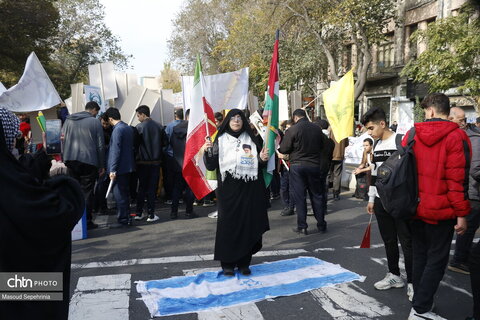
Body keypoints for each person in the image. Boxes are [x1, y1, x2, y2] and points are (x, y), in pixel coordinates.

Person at [0, 108, 84, 320]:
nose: (16, 139)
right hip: (17, 285)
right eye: (13, 134)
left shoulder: (8, 173)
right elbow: (56, 215)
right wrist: (62, 181)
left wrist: (44, 154)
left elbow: (20, 177)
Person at [405, 93, 471, 320]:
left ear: (431, 111)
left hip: (413, 207)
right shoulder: (458, 137)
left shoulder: (412, 134)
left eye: (425, 110)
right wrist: (462, 214)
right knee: (436, 260)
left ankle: (420, 303)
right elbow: (457, 181)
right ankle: (421, 309)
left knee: (420, 256)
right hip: (441, 211)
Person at [204, 109, 270, 276]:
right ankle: (227, 263)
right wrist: (207, 151)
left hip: (249, 190)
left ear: (244, 121)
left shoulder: (253, 139)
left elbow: (260, 165)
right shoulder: (219, 140)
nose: (236, 121)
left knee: (247, 224)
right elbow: (211, 166)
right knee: (228, 225)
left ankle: (244, 263)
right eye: (232, 118)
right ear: (227, 121)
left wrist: (262, 159)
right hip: (228, 191)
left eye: (239, 118)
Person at [361, 107, 413, 301]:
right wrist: (372, 199)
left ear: (382, 124)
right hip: (382, 202)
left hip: (401, 202)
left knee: (407, 242)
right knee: (389, 240)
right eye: (367, 128)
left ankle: (412, 282)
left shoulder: (402, 140)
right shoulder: (375, 144)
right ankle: (394, 275)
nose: (369, 132)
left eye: (371, 127)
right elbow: (374, 175)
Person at [279, 109, 327, 235]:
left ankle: (302, 226)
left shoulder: (292, 130)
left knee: (300, 196)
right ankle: (321, 224)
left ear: (295, 117)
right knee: (316, 195)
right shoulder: (317, 129)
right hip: (314, 165)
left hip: (297, 166)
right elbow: (323, 145)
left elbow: (284, 148)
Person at [62, 101, 105, 229]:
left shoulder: (68, 120)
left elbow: (62, 140)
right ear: (93, 110)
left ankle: (75, 222)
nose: (96, 115)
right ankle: (86, 221)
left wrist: (64, 157)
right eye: (96, 112)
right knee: (87, 192)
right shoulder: (94, 122)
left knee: (74, 191)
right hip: (88, 160)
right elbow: (100, 145)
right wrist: (101, 164)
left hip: (70, 159)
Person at [448, 107, 480, 275]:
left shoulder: (470, 137)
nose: (463, 122)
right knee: (468, 227)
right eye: (460, 119)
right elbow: (475, 169)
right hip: (473, 192)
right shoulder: (473, 139)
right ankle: (459, 259)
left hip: (468, 190)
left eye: (465, 119)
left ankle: (461, 258)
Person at [104, 107, 135, 228]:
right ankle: (126, 218)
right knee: (125, 194)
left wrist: (112, 169)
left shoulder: (117, 130)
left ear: (110, 119)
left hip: (119, 168)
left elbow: (115, 151)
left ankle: (123, 219)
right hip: (127, 166)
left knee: (119, 195)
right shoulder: (127, 128)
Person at [134, 105, 166, 222]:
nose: (138, 118)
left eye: (138, 116)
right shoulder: (159, 126)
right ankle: (151, 214)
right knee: (152, 188)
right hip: (156, 162)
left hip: (142, 162)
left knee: (142, 187)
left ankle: (138, 213)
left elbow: (135, 146)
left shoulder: (138, 128)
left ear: (143, 114)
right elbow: (165, 143)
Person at [169, 109, 196, 219]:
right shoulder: (193, 130)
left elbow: (170, 144)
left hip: (177, 162)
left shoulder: (175, 129)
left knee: (176, 188)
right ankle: (189, 211)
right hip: (190, 163)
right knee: (190, 188)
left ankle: (173, 212)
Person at [163, 108, 184, 204]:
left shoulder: (169, 126)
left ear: (175, 116)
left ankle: (170, 198)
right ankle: (181, 197)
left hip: (171, 155)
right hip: (183, 155)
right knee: (181, 177)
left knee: (170, 177)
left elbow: (166, 140)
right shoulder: (187, 125)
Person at [329, 131, 348, 200]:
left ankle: (326, 191)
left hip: (329, 154)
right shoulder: (343, 130)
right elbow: (346, 144)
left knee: (328, 174)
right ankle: (336, 193)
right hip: (339, 155)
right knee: (337, 174)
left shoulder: (331, 128)